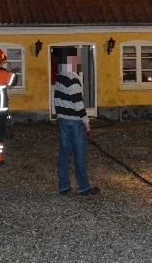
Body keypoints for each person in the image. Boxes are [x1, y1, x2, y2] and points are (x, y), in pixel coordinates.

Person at [54, 54, 100, 196]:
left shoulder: (60, 77)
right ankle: (84, 187)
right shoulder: (73, 79)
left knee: (64, 152)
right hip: (74, 121)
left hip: (62, 119)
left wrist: (60, 115)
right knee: (79, 154)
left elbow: (56, 99)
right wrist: (86, 121)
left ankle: (64, 186)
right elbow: (77, 102)